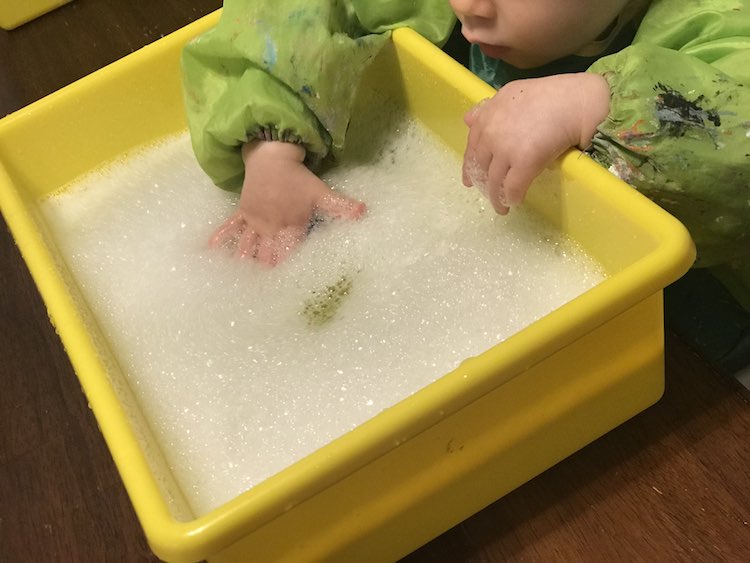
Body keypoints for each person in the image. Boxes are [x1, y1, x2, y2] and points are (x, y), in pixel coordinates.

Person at [181, 0, 750, 370]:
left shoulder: (721, 18)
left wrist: (601, 103)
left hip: (698, 339)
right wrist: (270, 143)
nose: (466, 7)